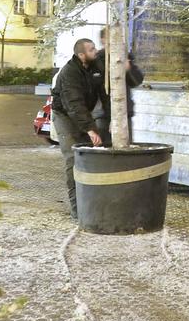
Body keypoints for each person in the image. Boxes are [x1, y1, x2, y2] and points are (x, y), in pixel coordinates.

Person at [51, 37, 102, 220]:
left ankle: (91, 202)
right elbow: (74, 104)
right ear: (81, 55)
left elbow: (103, 92)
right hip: (64, 115)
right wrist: (90, 129)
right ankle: (77, 209)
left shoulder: (95, 66)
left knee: (89, 157)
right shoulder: (69, 72)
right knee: (73, 158)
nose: (95, 51)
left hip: (82, 114)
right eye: (91, 49)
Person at [93, 50, 143, 134]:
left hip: (125, 113)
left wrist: (129, 69)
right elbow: (104, 94)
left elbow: (136, 81)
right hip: (103, 115)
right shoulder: (97, 61)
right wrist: (113, 118)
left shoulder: (124, 57)